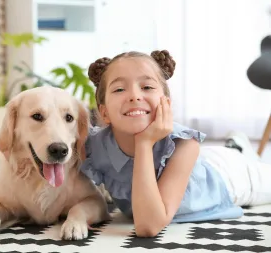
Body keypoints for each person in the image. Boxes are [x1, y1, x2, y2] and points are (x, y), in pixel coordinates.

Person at [80, 50, 271, 237]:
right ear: (104, 112)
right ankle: (237, 145)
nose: (134, 96)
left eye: (147, 87)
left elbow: (148, 226)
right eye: (119, 89)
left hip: (231, 176)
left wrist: (144, 143)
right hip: (204, 160)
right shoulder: (93, 146)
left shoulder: (184, 144)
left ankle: (238, 149)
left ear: (166, 104)